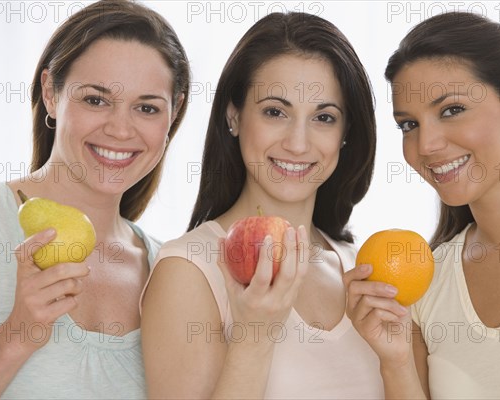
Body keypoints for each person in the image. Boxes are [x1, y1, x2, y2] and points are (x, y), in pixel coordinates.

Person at [141, 11, 384, 399]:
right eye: (275, 112)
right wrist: (254, 337)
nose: (298, 144)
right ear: (233, 116)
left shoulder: (361, 269)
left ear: (346, 133)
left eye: (324, 117)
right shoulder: (188, 271)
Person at [344, 11, 500, 399]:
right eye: (409, 125)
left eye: (451, 110)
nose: (426, 146)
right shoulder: (426, 283)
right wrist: (396, 362)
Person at [0, 1, 189, 398]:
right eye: (96, 100)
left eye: (146, 108)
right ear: (50, 93)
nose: (119, 129)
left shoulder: (168, 272)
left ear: (174, 112)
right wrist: (19, 334)